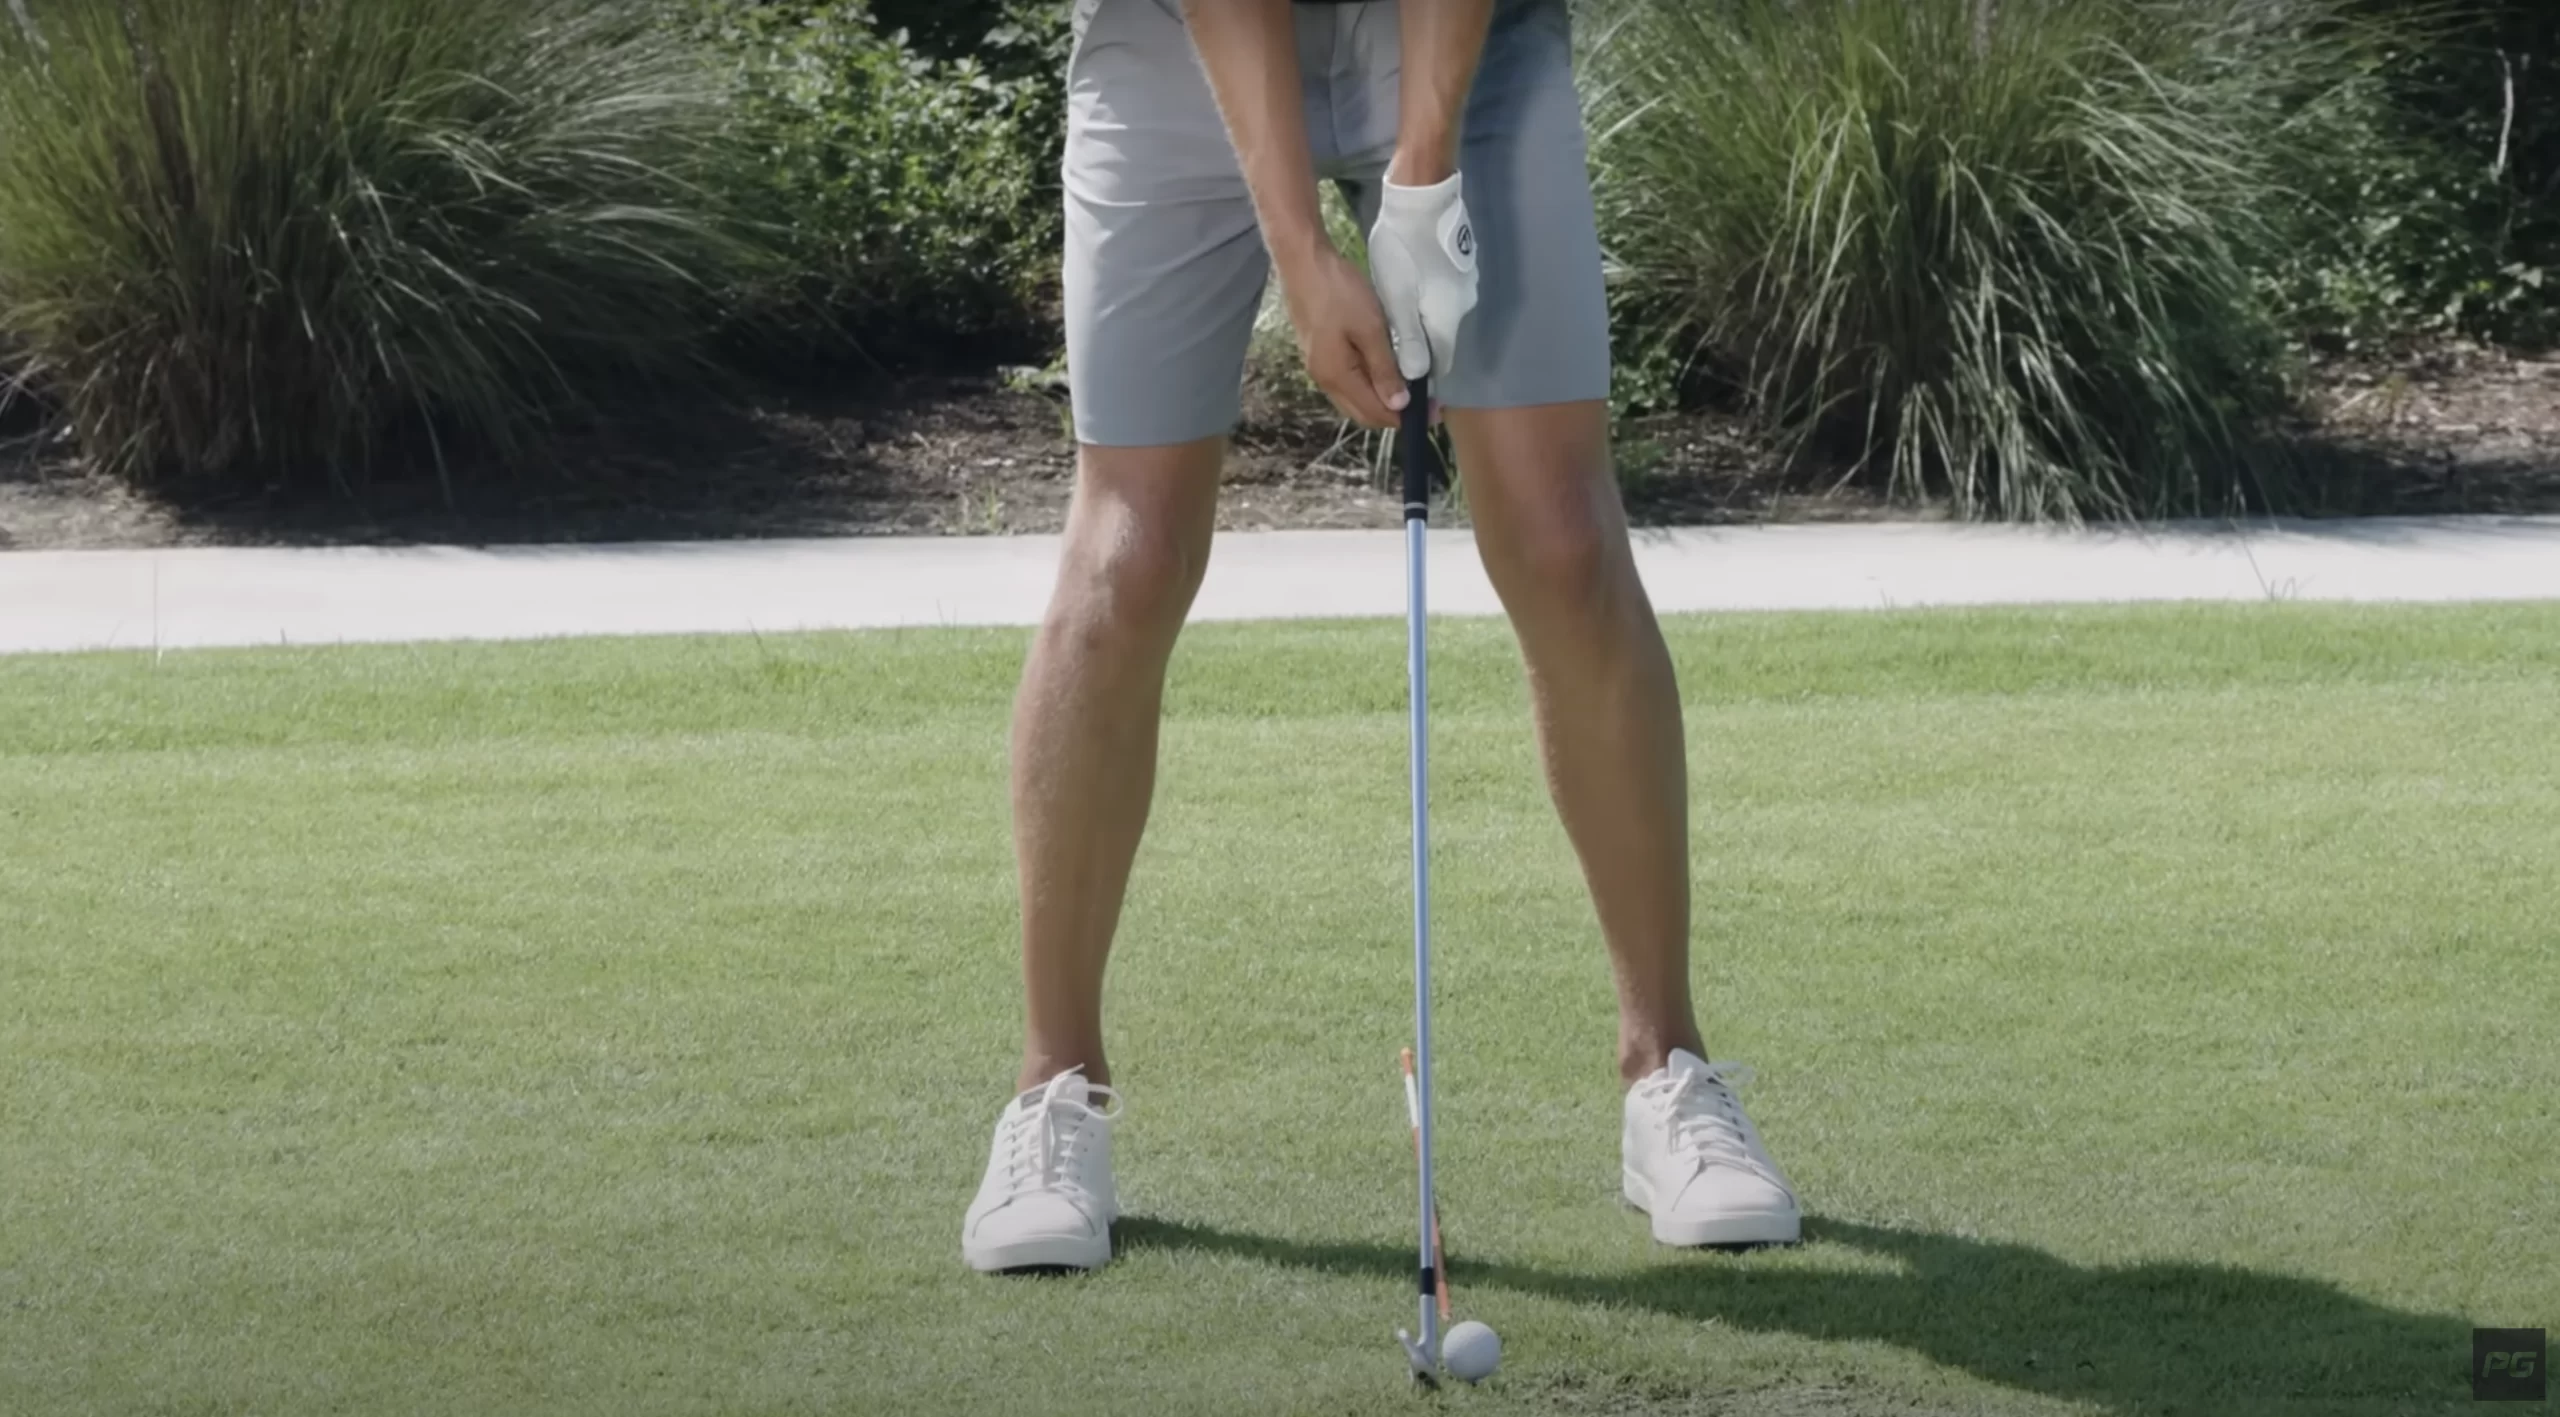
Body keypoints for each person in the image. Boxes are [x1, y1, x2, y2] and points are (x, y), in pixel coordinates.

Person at [961, 0, 1800, 1273]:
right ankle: (1052, 1088)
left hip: (1469, 37)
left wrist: (1423, 173)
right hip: (1179, 49)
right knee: (1124, 562)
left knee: (1566, 541)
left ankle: (1666, 1073)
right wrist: (1304, 257)